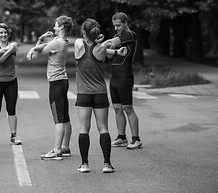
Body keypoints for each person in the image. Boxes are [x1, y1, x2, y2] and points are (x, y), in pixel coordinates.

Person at [74, 18, 126, 173]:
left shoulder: (78, 44)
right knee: (103, 128)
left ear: (84, 32)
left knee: (84, 128)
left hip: (83, 93)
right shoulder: (101, 49)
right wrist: (112, 46)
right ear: (96, 33)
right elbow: (103, 49)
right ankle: (107, 164)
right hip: (100, 93)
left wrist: (102, 41)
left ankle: (84, 164)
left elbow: (84, 42)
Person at [26, 15, 73, 160]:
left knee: (58, 118)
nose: (53, 27)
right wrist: (39, 41)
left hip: (56, 83)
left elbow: (38, 53)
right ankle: (65, 147)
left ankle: (57, 150)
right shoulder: (61, 41)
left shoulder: (57, 43)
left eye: (56, 25)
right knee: (65, 116)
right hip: (63, 81)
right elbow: (42, 47)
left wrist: (33, 48)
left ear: (61, 27)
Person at [108, 12, 142, 150]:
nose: (116, 28)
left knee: (128, 108)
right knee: (117, 108)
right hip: (114, 76)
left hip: (125, 76)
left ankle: (136, 139)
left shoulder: (131, 35)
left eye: (118, 25)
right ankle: (121, 137)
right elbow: (108, 56)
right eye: (114, 26)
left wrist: (110, 45)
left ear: (125, 23)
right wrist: (111, 46)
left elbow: (108, 47)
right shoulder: (117, 37)